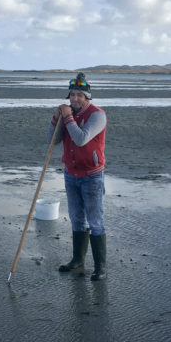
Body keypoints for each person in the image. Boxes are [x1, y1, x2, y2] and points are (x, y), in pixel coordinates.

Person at [47, 72, 108, 281]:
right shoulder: (67, 115)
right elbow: (51, 141)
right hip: (71, 174)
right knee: (76, 219)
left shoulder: (97, 115)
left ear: (87, 97)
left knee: (95, 220)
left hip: (92, 175)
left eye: (78, 95)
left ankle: (100, 267)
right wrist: (56, 119)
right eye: (71, 95)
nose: (74, 99)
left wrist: (68, 118)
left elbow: (81, 139)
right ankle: (77, 261)